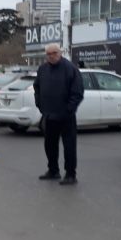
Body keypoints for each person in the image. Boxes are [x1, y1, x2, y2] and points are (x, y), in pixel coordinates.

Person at [33, 43, 84, 186]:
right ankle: (53, 170)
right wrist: (40, 104)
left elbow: (77, 92)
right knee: (50, 145)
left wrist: (68, 110)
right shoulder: (43, 69)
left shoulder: (70, 69)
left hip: (66, 116)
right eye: (48, 54)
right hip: (49, 115)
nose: (51, 56)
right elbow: (37, 87)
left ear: (60, 53)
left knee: (69, 146)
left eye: (54, 53)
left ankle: (70, 174)